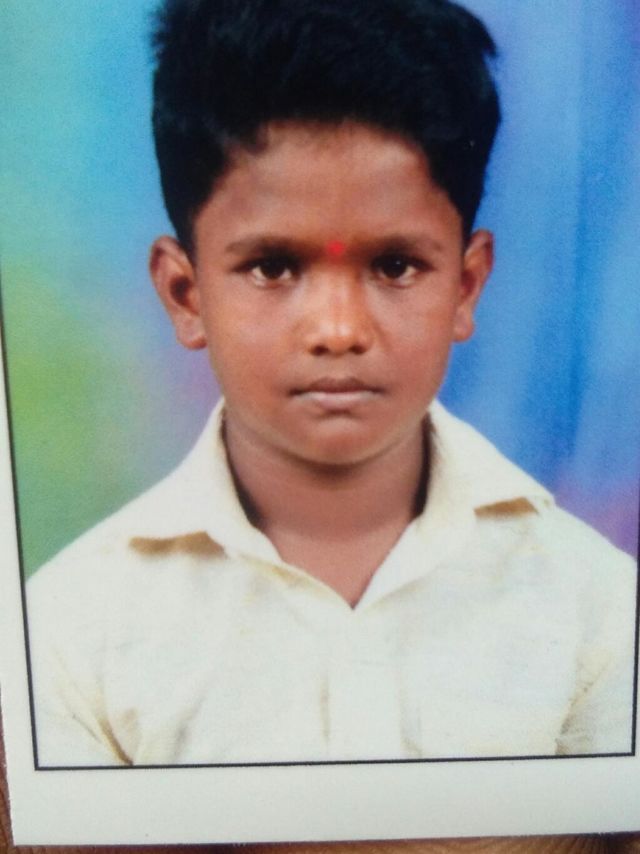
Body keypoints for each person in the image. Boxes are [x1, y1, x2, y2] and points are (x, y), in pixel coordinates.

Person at [26, 0, 636, 768]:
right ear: (185, 295)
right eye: (273, 266)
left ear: (466, 286)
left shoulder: (597, 612)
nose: (339, 329)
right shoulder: (66, 635)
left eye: (395, 266)